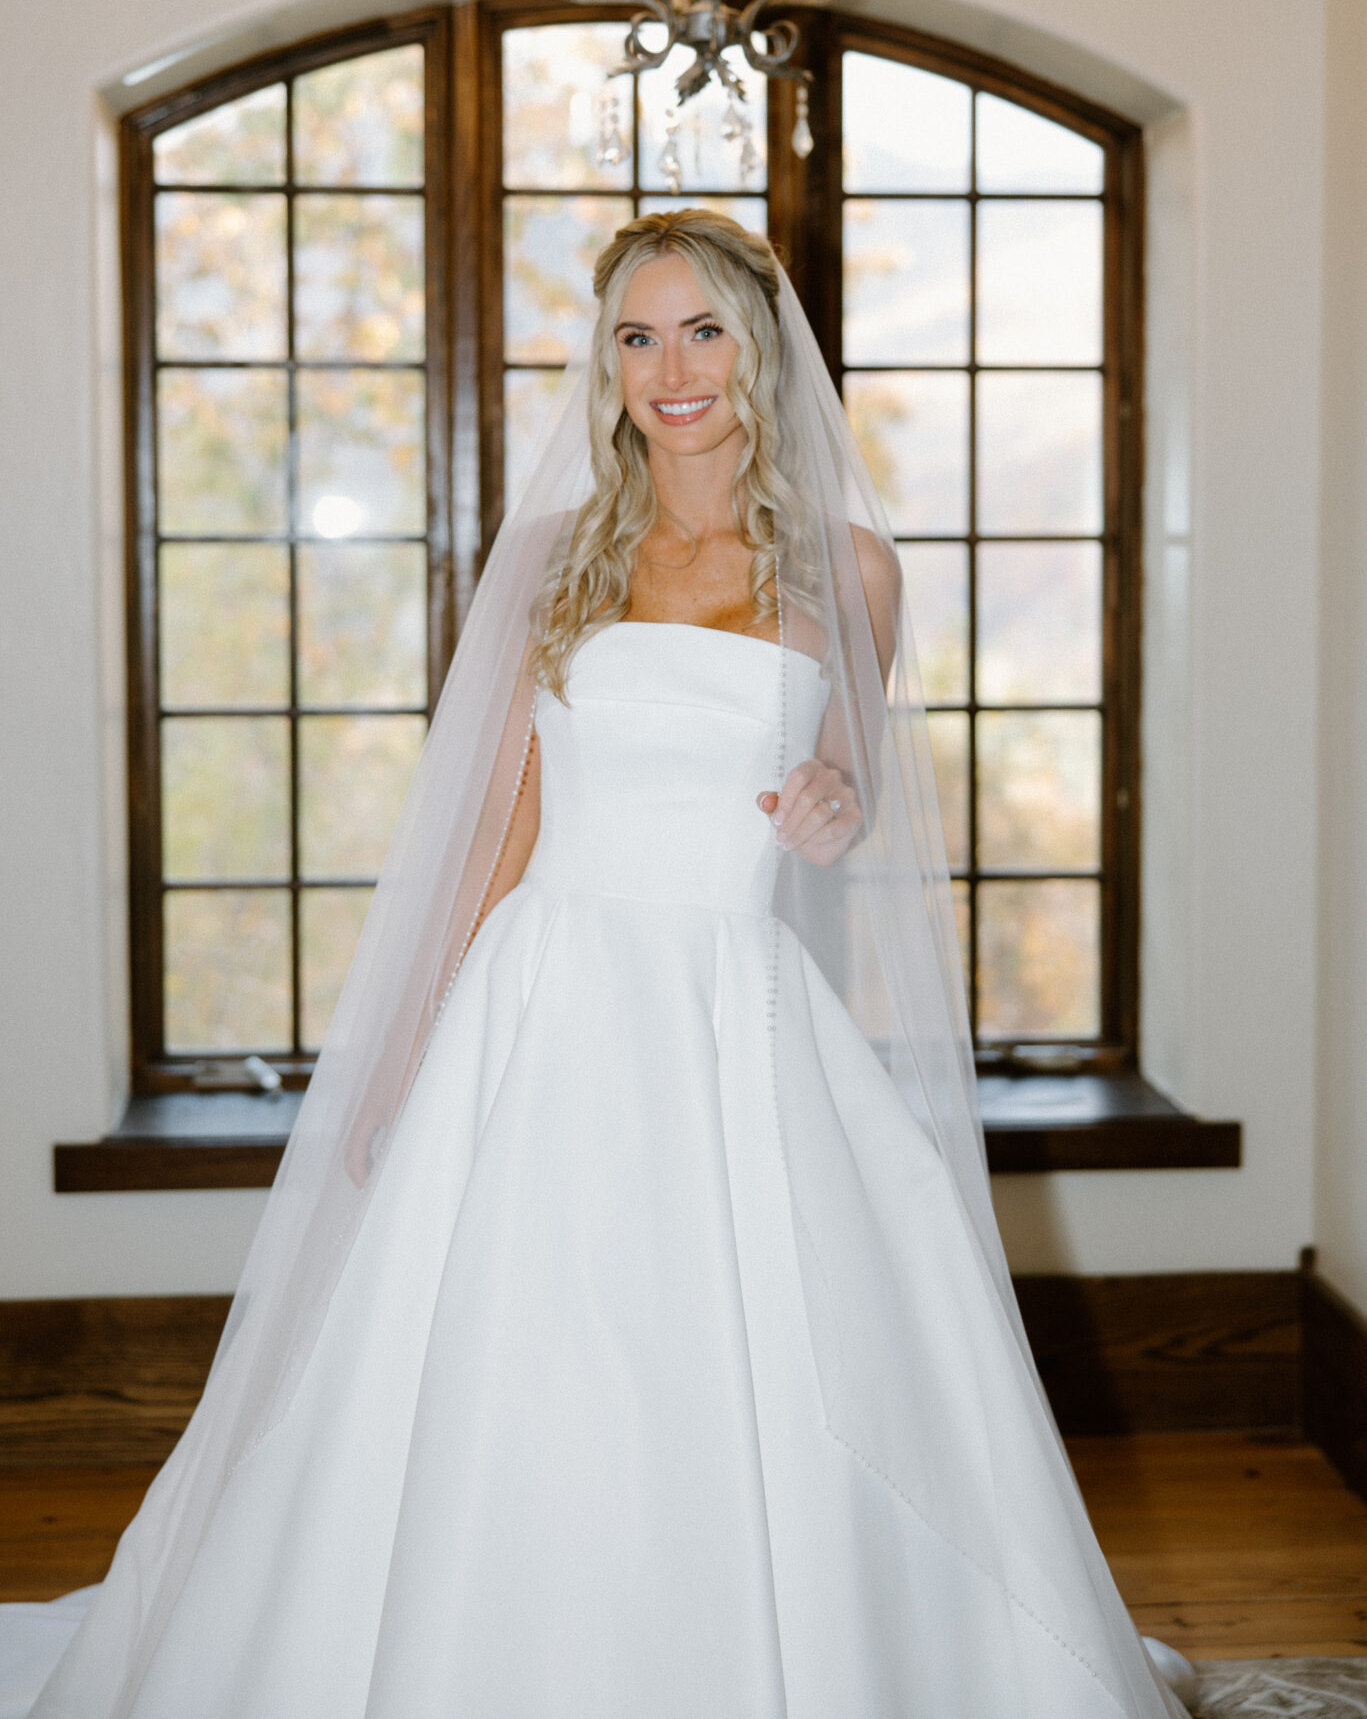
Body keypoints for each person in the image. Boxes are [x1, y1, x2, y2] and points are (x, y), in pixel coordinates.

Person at [6, 210, 1192, 1718]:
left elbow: (843, 784)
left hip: (733, 1020)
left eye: (702, 332)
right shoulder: (558, 559)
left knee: (766, 1370)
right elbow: (500, 827)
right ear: (608, 362)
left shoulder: (855, 571)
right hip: (543, 1005)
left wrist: (836, 803)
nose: (671, 369)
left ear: (760, 352)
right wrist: (409, 1049)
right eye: (638, 336)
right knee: (510, 1370)